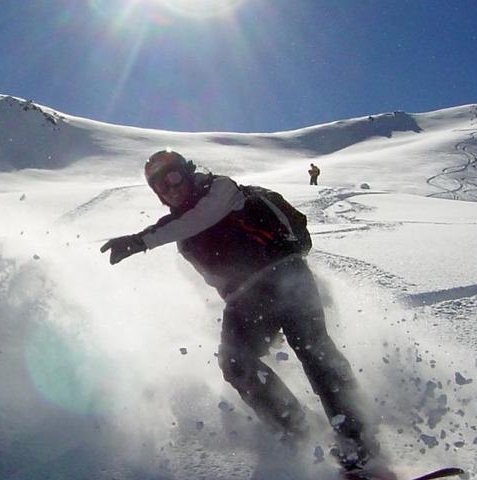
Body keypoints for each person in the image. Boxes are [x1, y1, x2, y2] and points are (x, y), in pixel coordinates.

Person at [100, 150, 390, 478]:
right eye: (162, 187)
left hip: (286, 273)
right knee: (235, 363)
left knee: (313, 348)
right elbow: (215, 276)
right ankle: (302, 433)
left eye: (174, 177)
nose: (172, 188)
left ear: (187, 172)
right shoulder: (184, 236)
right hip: (247, 297)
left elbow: (198, 218)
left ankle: (359, 443)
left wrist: (141, 241)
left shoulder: (220, 190)